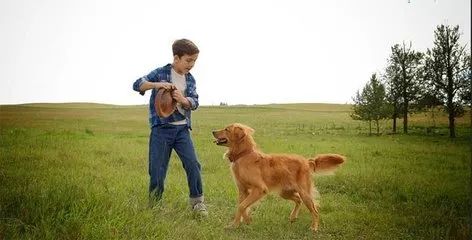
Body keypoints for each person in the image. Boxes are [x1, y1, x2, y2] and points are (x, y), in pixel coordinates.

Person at [132, 39, 207, 216]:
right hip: (161, 130)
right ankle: (155, 205)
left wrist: (184, 100)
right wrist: (156, 85)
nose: (192, 64)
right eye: (188, 60)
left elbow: (195, 101)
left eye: (194, 61)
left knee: (193, 164)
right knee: (157, 169)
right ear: (176, 57)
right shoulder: (160, 73)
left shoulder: (190, 79)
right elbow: (137, 84)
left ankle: (197, 203)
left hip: (182, 130)